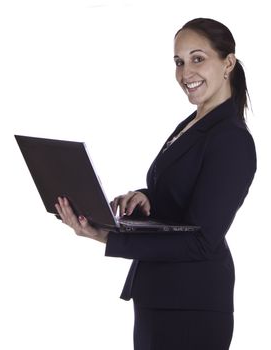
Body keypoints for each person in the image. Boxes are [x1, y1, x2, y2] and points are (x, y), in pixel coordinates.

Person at [55, 18, 257, 350]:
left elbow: (203, 241)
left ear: (228, 63)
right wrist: (146, 199)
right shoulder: (193, 124)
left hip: (191, 307)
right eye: (178, 62)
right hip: (160, 297)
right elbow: (184, 195)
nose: (185, 73)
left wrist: (107, 236)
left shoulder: (231, 139)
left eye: (197, 58)